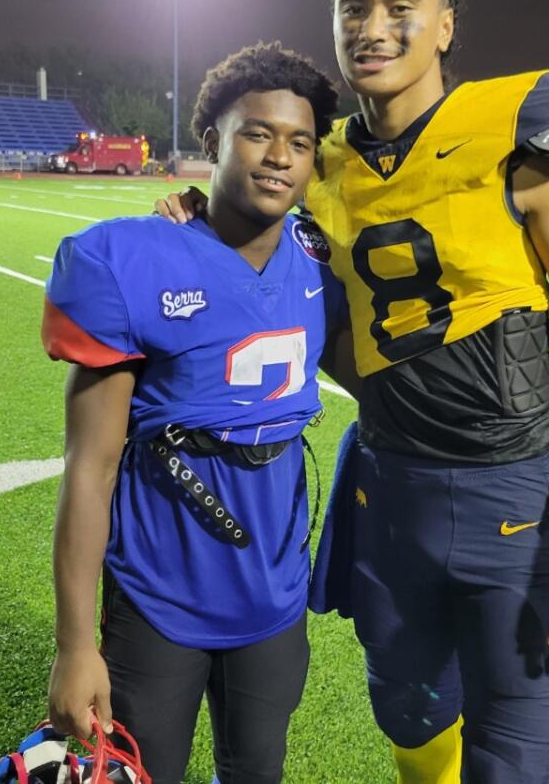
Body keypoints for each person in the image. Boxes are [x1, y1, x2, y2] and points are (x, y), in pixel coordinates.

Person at [159, 0, 549, 784]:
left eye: (398, 4)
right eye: (353, 6)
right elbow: (298, 296)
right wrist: (198, 218)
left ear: (446, 25)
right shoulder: (325, 159)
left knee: (514, 754)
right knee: (408, 720)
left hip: (514, 491)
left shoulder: (518, 125)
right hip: (389, 490)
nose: (371, 25)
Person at [43, 42, 350, 784]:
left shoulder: (324, 265)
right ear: (211, 143)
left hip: (274, 598)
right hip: (157, 598)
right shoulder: (132, 260)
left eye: (299, 141)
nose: (279, 155)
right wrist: (74, 642)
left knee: (258, 771)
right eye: (257, 132)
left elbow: (393, 394)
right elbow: (92, 466)